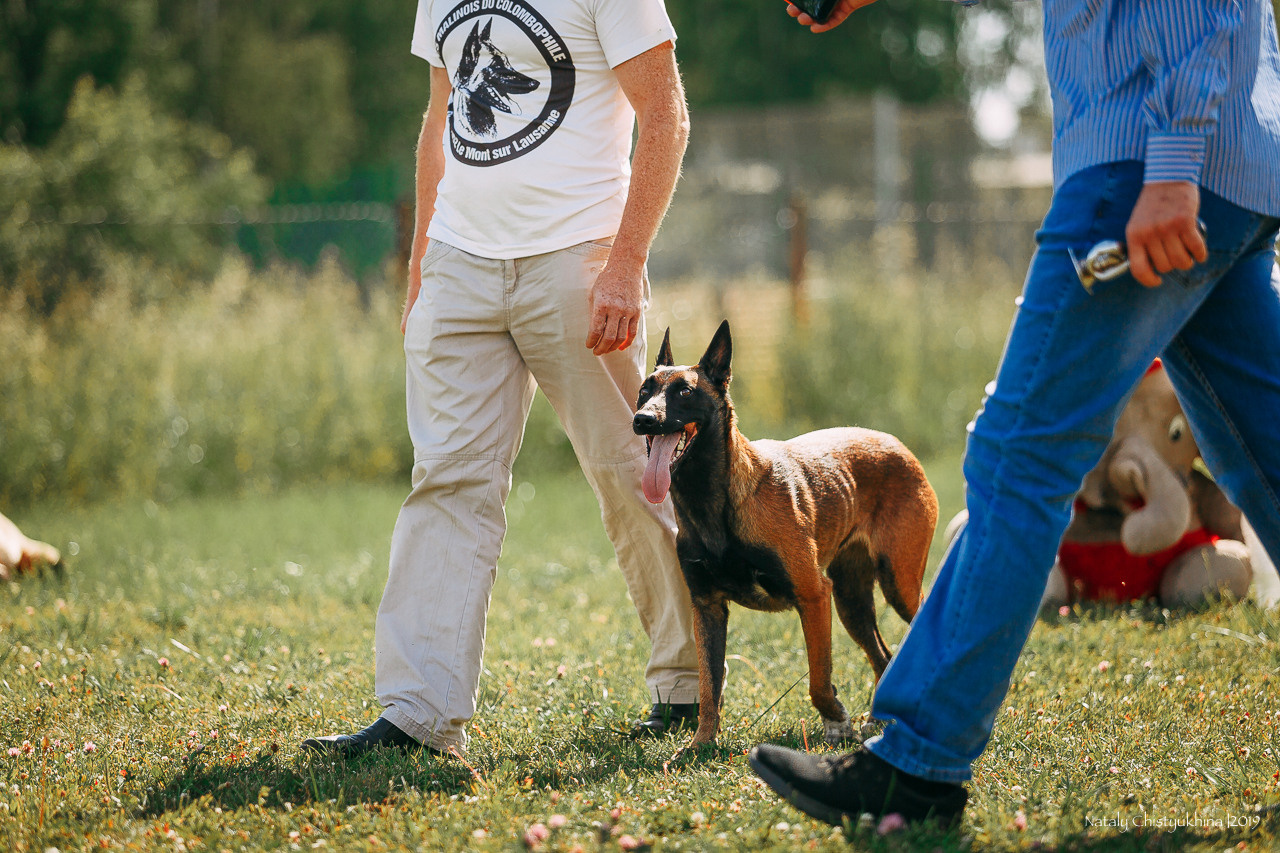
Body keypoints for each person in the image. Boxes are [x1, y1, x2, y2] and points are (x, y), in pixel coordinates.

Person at [749, 0, 1280, 826]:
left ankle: (917, 762)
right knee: (1265, 454)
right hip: (1231, 162)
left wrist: (1173, 156)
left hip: (1147, 155)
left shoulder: (1162, 154)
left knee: (1020, 455)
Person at [303, 0, 701, 758]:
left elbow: (665, 113)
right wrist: (422, 265)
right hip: (458, 263)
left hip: (578, 260)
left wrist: (625, 263)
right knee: (447, 480)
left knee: (634, 473)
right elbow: (439, 116)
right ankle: (418, 714)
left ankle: (688, 683)